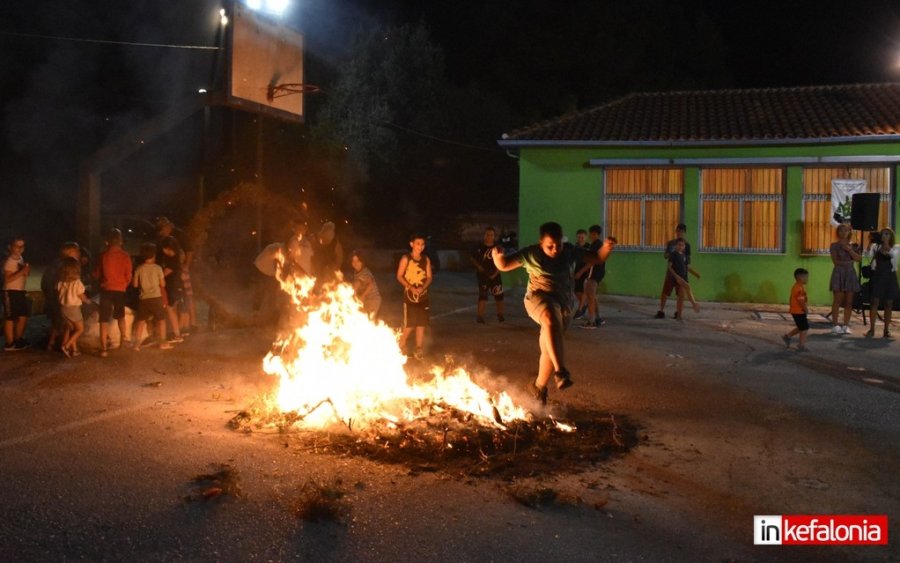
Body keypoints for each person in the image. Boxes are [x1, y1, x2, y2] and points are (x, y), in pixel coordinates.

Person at [492, 221, 614, 405]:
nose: (555, 249)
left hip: (564, 305)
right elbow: (504, 265)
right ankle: (561, 372)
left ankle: (539, 387)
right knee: (549, 315)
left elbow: (597, 258)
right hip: (538, 298)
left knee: (549, 349)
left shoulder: (569, 251)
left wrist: (606, 247)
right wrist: (497, 257)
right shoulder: (532, 253)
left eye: (558, 245)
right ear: (541, 242)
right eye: (550, 246)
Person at [94, 228, 133, 358]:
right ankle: (123, 340)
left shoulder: (103, 256)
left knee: (103, 319)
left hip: (106, 290)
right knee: (120, 316)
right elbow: (129, 275)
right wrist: (123, 284)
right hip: (120, 290)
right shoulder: (125, 256)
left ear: (107, 242)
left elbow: (97, 274)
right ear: (121, 241)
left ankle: (103, 348)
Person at [157, 217, 197, 331]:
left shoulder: (179, 235)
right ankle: (178, 326)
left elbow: (189, 251)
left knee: (187, 296)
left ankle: (192, 323)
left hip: (181, 271)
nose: (161, 232)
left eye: (162, 229)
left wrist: (186, 267)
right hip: (172, 273)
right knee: (176, 298)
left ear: (168, 226)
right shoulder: (162, 238)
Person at [396, 233, 432, 360]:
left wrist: (423, 287)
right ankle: (401, 343)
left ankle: (418, 348)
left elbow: (429, 277)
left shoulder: (426, 259)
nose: (420, 247)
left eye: (422, 244)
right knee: (410, 324)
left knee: (421, 323)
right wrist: (411, 287)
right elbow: (399, 276)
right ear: (411, 244)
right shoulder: (406, 258)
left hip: (423, 296)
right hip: (410, 297)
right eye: (418, 244)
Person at [41, 241, 81, 352]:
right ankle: (66, 344)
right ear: (69, 252)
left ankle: (53, 343)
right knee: (65, 322)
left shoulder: (59, 264)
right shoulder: (65, 266)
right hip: (59, 300)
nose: (79, 253)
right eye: (76, 251)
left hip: (56, 298)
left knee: (59, 321)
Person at [132, 242, 172, 351]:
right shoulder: (158, 268)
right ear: (154, 255)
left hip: (143, 299)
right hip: (156, 298)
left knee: (141, 321)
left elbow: (135, 285)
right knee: (161, 320)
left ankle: (136, 345)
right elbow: (163, 284)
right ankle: (163, 343)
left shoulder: (139, 269)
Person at [655, 224, 700, 319]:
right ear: (676, 231)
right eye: (678, 231)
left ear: (684, 233)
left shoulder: (687, 245)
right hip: (671, 273)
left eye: (682, 232)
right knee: (665, 291)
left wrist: (692, 273)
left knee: (680, 293)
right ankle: (661, 311)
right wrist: (672, 251)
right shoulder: (671, 243)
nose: (680, 233)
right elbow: (665, 256)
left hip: (681, 273)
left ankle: (678, 312)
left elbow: (687, 261)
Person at [864, 227, 899, 338]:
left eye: (887, 234)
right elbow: (867, 255)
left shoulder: (896, 248)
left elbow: (894, 257)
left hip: (890, 276)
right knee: (874, 302)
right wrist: (870, 242)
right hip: (878, 276)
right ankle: (872, 329)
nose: (884, 236)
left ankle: (886, 330)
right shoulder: (876, 247)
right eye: (882, 234)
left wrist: (886, 246)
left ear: (891, 236)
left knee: (889, 304)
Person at [577, 225, 615, 328]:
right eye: (591, 234)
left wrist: (580, 272)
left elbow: (592, 261)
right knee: (592, 296)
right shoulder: (597, 244)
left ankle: (591, 321)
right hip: (597, 272)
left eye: (594, 234)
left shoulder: (596, 245)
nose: (592, 236)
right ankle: (598, 318)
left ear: (597, 234)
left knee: (590, 297)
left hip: (594, 273)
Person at [829, 223, 861, 335]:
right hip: (839, 273)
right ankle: (835, 324)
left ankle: (846, 325)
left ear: (849, 232)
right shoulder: (834, 246)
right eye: (841, 230)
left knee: (849, 302)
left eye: (846, 230)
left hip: (850, 274)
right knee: (837, 300)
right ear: (838, 232)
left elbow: (858, 259)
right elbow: (836, 262)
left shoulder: (854, 245)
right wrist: (849, 262)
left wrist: (849, 250)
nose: (843, 233)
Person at [56, 256, 90, 358]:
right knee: (80, 329)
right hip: (73, 309)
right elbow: (81, 295)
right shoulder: (77, 283)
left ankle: (74, 350)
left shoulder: (60, 282)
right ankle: (66, 346)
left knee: (71, 328)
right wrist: (87, 301)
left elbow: (58, 292)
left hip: (63, 308)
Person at [470, 227, 505, 324]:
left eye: (491, 235)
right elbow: (472, 258)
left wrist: (496, 272)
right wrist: (478, 267)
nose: (489, 236)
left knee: (499, 295)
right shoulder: (479, 247)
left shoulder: (498, 248)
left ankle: (500, 314)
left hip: (496, 275)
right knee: (483, 295)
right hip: (483, 275)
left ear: (494, 236)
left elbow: (502, 261)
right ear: (484, 235)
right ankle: (480, 316)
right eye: (487, 234)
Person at [3, 236, 31, 351]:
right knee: (10, 317)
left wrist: (25, 271)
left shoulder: (20, 258)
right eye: (17, 246)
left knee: (23, 316)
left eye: (22, 246)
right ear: (10, 247)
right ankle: (10, 343)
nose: (20, 248)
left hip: (19, 291)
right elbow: (8, 279)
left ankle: (18, 339)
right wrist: (22, 272)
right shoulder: (9, 261)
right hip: (10, 291)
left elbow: (23, 274)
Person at [157, 236, 184, 344]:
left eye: (164, 248)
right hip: (174, 287)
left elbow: (163, 274)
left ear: (169, 248)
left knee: (169, 309)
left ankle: (177, 335)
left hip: (173, 287)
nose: (162, 250)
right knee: (172, 310)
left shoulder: (173, 260)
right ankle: (175, 333)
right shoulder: (173, 257)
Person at [667, 238, 701, 319]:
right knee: (688, 287)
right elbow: (669, 267)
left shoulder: (684, 255)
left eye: (682, 245)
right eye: (679, 245)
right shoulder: (673, 254)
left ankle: (679, 316)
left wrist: (695, 274)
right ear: (676, 245)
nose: (680, 247)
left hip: (684, 277)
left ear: (684, 246)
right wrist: (676, 276)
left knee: (681, 297)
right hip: (677, 277)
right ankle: (694, 304)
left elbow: (687, 267)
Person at [782, 268, 810, 351]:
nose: (807, 279)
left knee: (801, 326)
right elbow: (801, 301)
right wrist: (806, 309)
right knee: (804, 328)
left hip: (796, 310)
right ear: (800, 278)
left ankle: (787, 336)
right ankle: (801, 345)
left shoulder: (797, 287)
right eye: (806, 277)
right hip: (799, 311)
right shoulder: (799, 288)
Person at [350, 250, 382, 320]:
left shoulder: (364, 272)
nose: (355, 263)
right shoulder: (357, 272)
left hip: (373, 299)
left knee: (369, 320)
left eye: (357, 261)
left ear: (362, 262)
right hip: (366, 300)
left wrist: (362, 296)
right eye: (353, 261)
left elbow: (371, 284)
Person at [572, 229, 590, 319]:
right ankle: (584, 305)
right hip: (577, 269)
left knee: (584, 290)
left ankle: (580, 309)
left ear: (585, 237)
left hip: (586, 271)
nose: (581, 239)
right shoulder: (575, 247)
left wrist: (581, 271)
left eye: (582, 237)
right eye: (579, 237)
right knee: (576, 290)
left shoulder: (588, 247)